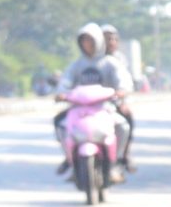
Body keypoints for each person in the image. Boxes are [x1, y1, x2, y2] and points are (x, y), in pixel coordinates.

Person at [55, 24, 126, 175]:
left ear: (99, 41)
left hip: (105, 107)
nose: (87, 44)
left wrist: (121, 91)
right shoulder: (76, 65)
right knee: (60, 124)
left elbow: (122, 81)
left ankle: (117, 159)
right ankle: (70, 158)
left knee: (123, 126)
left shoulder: (109, 63)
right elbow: (66, 83)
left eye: (91, 40)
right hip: (79, 108)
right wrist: (62, 93)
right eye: (84, 40)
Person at [99, 24, 139, 170]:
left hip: (113, 101)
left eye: (112, 39)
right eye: (105, 39)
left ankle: (124, 154)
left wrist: (122, 98)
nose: (110, 42)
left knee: (126, 117)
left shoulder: (119, 60)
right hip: (90, 103)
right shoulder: (90, 59)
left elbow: (125, 82)